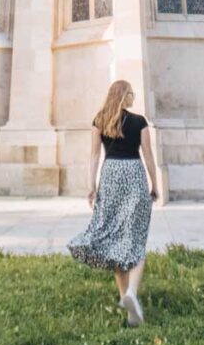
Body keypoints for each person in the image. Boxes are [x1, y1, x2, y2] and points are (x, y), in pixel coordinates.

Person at [67, 79, 159, 327]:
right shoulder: (140, 122)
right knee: (136, 238)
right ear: (124, 96)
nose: (134, 98)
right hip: (133, 175)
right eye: (132, 94)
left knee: (116, 239)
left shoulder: (99, 120)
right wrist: (155, 184)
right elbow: (148, 155)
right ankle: (131, 295)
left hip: (110, 176)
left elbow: (94, 156)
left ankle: (124, 300)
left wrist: (92, 186)